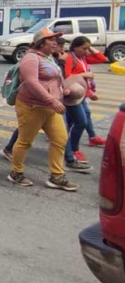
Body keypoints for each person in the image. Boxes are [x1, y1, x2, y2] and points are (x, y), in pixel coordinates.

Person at [8, 27, 78, 191]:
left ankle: (57, 176)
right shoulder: (31, 58)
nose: (55, 43)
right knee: (25, 141)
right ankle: (16, 173)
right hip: (32, 106)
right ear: (41, 42)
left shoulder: (48, 58)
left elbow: (54, 79)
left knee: (60, 139)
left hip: (51, 107)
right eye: (51, 40)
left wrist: (63, 92)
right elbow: (32, 83)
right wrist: (52, 101)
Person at [63, 36, 109, 164]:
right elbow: (67, 77)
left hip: (82, 94)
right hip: (73, 95)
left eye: (88, 48)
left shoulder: (82, 58)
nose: (86, 51)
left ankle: (87, 139)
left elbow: (103, 59)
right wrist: (84, 75)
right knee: (80, 121)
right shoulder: (70, 58)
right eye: (83, 48)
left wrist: (90, 48)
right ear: (75, 47)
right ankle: (73, 149)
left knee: (80, 118)